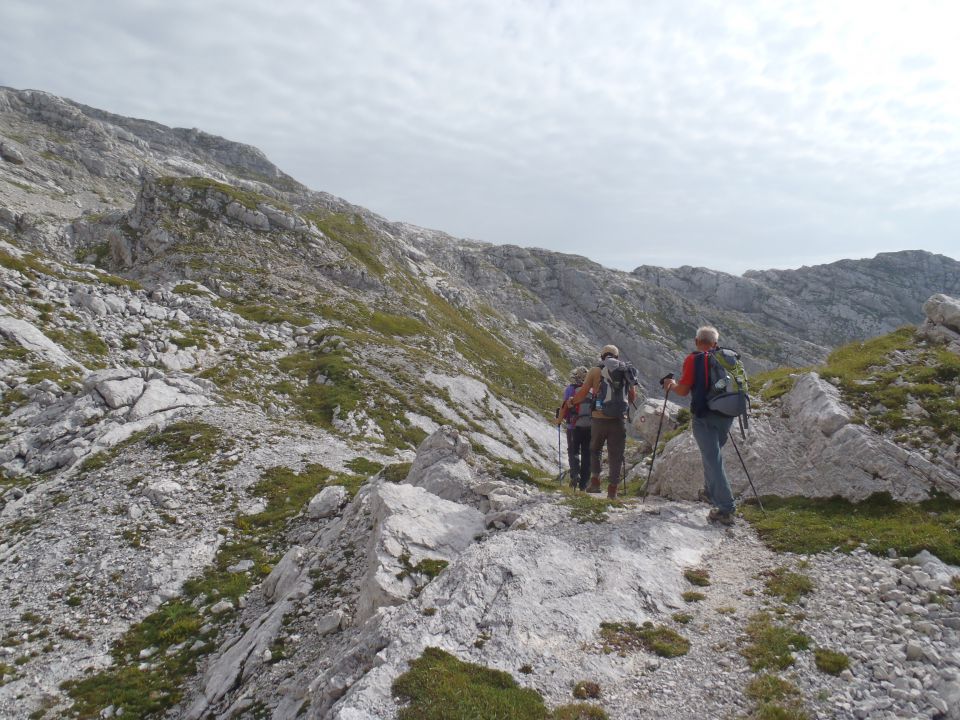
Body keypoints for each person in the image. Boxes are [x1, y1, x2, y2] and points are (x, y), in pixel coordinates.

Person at [663, 326, 736, 525]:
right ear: (715, 343)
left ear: (697, 341)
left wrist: (671, 385)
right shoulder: (727, 358)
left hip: (704, 415)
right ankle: (708, 491)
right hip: (727, 414)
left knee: (713, 458)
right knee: (712, 454)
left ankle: (725, 508)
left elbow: (683, 390)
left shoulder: (693, 359)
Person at [569, 345, 637, 499]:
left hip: (599, 418)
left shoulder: (595, 371)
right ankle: (612, 491)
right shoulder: (625, 370)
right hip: (619, 420)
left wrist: (572, 402)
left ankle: (595, 483)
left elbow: (583, 393)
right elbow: (632, 397)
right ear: (617, 357)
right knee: (616, 454)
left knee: (595, 450)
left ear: (602, 356)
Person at [557, 366, 592, 490]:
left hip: (573, 425)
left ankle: (574, 474)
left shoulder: (570, 389)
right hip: (590, 426)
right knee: (587, 453)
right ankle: (585, 483)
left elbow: (564, 406)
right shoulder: (591, 389)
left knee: (573, 450)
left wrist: (559, 420)